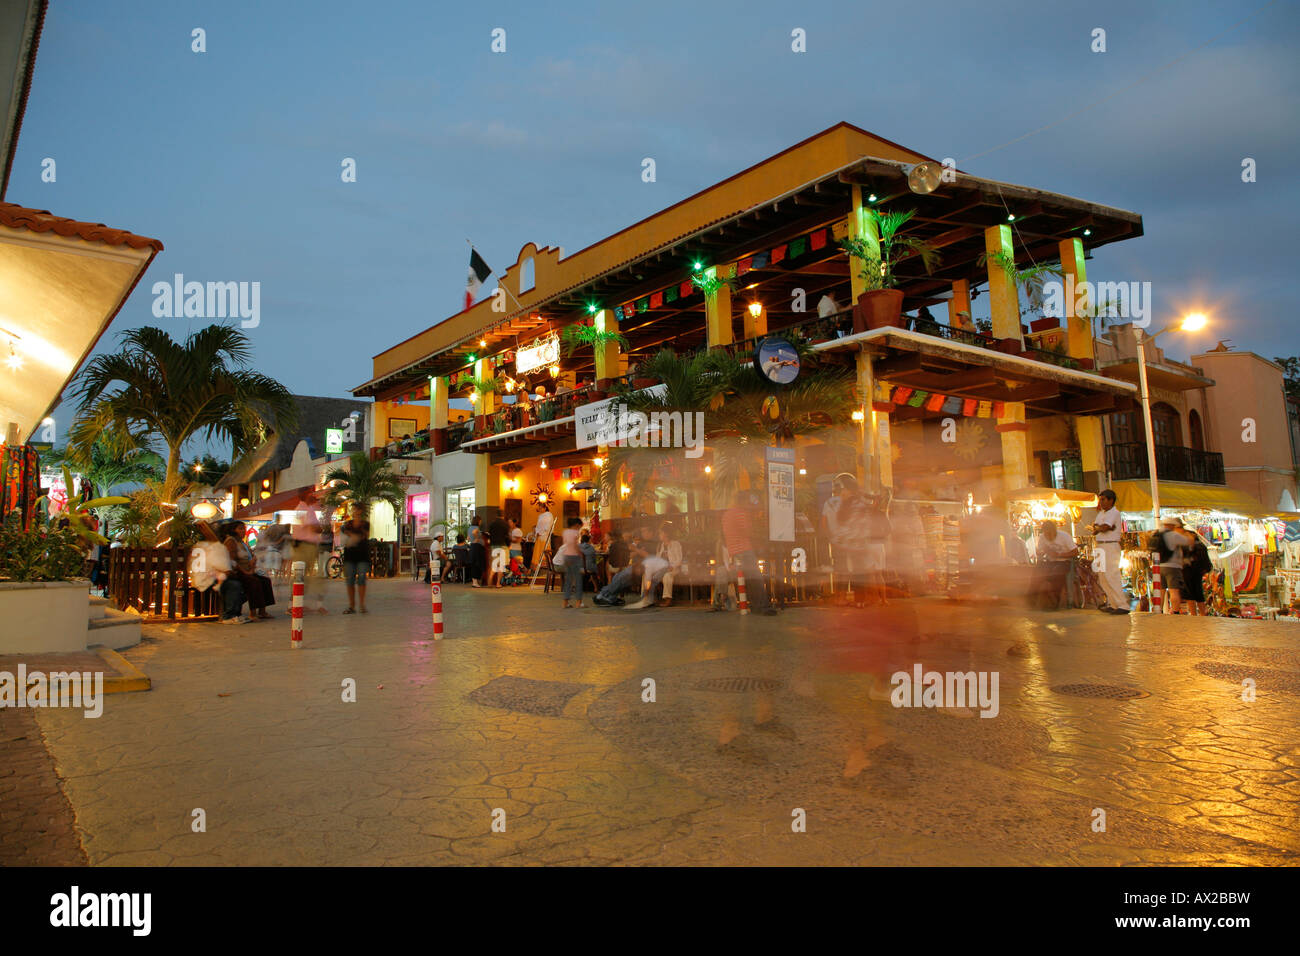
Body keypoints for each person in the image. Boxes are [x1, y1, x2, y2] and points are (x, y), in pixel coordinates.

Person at [722, 494, 775, 615]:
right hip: (744, 550)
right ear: (743, 501)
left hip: (734, 551)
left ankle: (755, 606)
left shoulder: (726, 514)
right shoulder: (741, 513)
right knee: (757, 579)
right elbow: (748, 530)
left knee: (748, 580)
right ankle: (763, 607)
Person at [1088, 489, 1128, 614]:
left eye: (1103, 499)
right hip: (1100, 545)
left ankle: (1122, 605)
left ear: (1111, 500)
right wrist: (1098, 528)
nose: (1101, 502)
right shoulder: (1101, 513)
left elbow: (1105, 527)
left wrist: (1099, 528)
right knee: (1102, 577)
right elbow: (1097, 528)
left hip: (1110, 545)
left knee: (1111, 575)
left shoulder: (1114, 513)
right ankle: (1113, 603)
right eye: (1100, 499)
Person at [627, 522, 684, 609]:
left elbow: (679, 559)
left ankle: (667, 599)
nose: (659, 535)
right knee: (647, 574)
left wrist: (672, 566)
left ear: (666, 533)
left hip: (673, 568)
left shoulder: (675, 544)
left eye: (661, 533)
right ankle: (646, 598)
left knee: (667, 576)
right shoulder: (661, 545)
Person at [594, 526, 654, 606]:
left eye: (644, 531)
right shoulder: (642, 543)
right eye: (642, 531)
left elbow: (649, 556)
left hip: (644, 567)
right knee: (618, 577)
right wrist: (637, 551)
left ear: (651, 532)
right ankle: (611, 597)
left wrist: (636, 550)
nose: (642, 533)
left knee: (621, 576)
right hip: (636, 566)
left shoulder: (653, 544)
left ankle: (602, 595)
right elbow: (631, 555)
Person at [1034, 519, 1078, 610]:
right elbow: (1039, 551)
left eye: (1050, 534)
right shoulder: (1042, 537)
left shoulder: (1064, 536)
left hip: (1064, 561)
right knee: (1036, 573)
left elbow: (1075, 552)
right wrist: (1042, 552)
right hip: (1050, 561)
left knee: (1056, 576)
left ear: (1054, 531)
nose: (1048, 536)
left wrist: (1060, 555)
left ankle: (1055, 602)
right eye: (1046, 534)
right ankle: (1032, 601)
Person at [1151, 515, 1191, 614]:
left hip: (1158, 566)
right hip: (1172, 566)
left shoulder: (1155, 534)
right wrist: (1187, 533)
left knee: (1161, 590)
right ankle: (1176, 612)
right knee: (1174, 591)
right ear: (1171, 525)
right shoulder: (1173, 535)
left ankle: (1158, 611)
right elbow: (1188, 541)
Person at [339, 503, 371, 614]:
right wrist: (353, 536)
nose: (355, 512)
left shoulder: (365, 524)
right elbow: (345, 537)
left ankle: (362, 605)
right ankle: (351, 606)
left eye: (356, 509)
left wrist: (352, 535)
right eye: (353, 510)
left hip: (362, 555)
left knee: (362, 579)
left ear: (360, 511)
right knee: (350, 580)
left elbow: (365, 536)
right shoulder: (347, 524)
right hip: (350, 556)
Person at [1182, 531, 1213, 615]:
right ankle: (1202, 613)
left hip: (1188, 571)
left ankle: (1193, 613)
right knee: (1198, 593)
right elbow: (1206, 560)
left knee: (1190, 593)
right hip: (1198, 572)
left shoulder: (1188, 546)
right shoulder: (1201, 545)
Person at [559, 516, 585, 609]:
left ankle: (565, 602)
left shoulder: (565, 532)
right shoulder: (575, 532)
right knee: (578, 580)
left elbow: (567, 543)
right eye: (579, 526)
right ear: (576, 525)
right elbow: (574, 544)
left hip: (566, 556)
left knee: (568, 580)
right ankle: (579, 602)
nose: (579, 528)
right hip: (574, 557)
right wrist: (580, 553)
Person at [487, 509, 511, 588]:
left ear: (496, 515)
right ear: (503, 515)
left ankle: (489, 582)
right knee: (501, 565)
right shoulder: (505, 524)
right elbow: (507, 536)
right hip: (503, 546)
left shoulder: (492, 524)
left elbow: (489, 535)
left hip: (493, 546)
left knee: (494, 565)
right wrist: (509, 545)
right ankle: (498, 584)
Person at [532, 507, 556, 572]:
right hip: (539, 536)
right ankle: (537, 570)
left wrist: (541, 532)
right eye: (538, 508)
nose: (539, 509)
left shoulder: (549, 515)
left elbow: (548, 526)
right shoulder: (540, 516)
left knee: (544, 552)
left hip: (545, 537)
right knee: (537, 552)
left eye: (540, 508)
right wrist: (537, 532)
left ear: (544, 508)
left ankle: (545, 570)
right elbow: (538, 525)